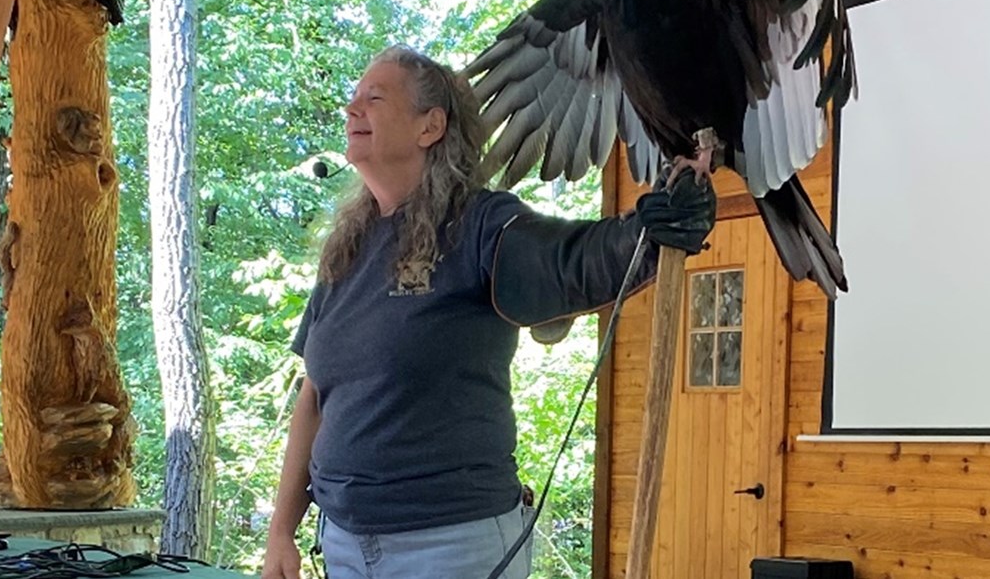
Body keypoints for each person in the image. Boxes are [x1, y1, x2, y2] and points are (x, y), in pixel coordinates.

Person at [260, 45, 715, 579]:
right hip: (342, 544)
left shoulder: (478, 225)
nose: (351, 109)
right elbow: (313, 399)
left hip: (453, 548)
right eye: (353, 98)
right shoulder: (347, 251)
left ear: (430, 126)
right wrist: (280, 532)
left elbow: (568, 261)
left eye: (374, 97)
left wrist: (645, 232)